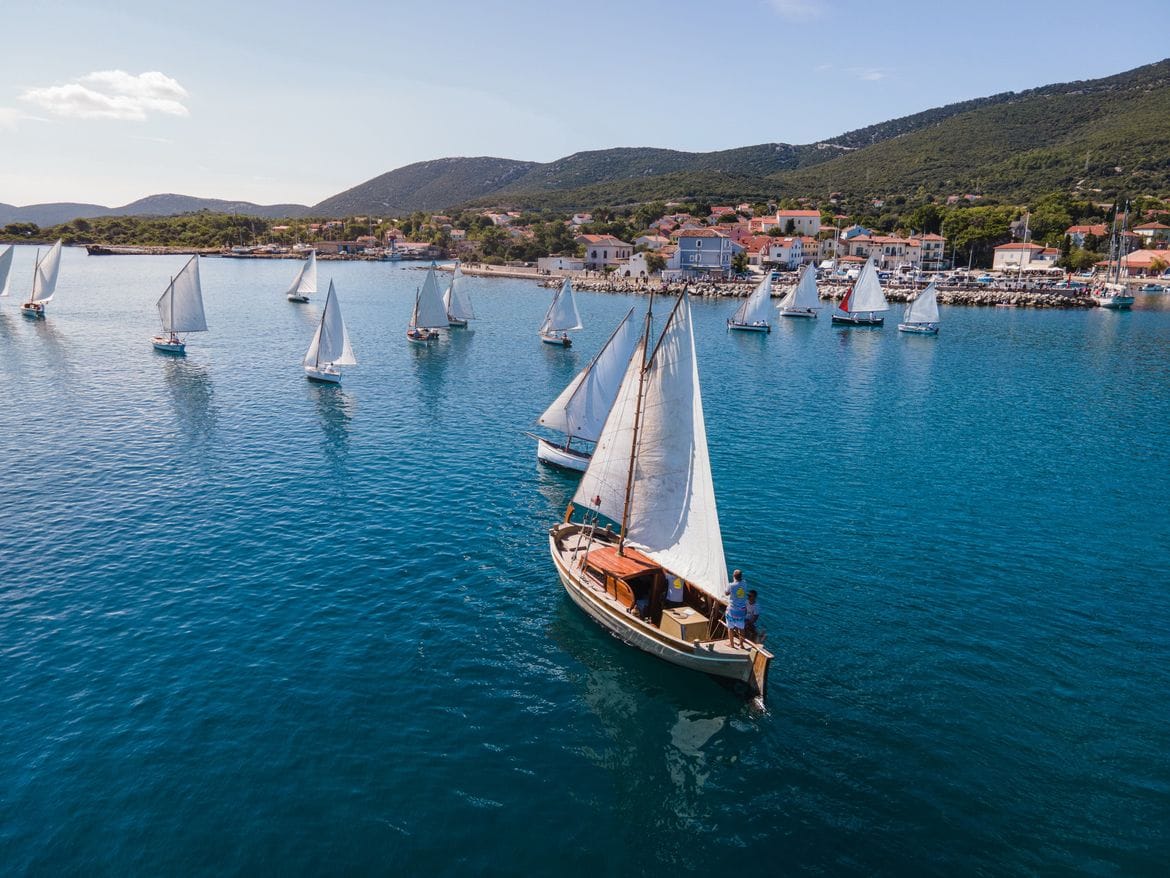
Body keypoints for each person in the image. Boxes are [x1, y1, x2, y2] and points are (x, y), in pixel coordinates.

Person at [724, 570, 748, 650]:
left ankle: (732, 644)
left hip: (732, 611)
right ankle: (741, 645)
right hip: (741, 611)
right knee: (741, 628)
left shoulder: (731, 585)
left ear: (733, 576)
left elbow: (726, 593)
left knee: (730, 628)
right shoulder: (744, 583)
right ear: (741, 576)